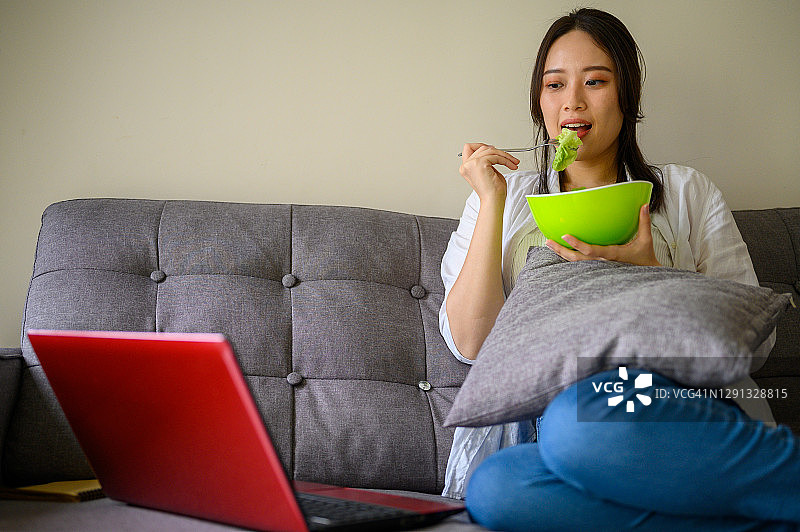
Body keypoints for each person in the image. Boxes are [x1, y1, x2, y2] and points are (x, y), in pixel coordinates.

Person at [439, 7, 800, 531]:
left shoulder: (685, 192)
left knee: (578, 422)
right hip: (538, 432)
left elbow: (755, 344)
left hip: (656, 411)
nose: (573, 102)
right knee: (494, 488)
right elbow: (472, 344)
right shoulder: (504, 196)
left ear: (626, 95)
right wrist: (493, 201)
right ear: (539, 103)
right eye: (554, 84)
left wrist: (651, 273)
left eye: (596, 81)